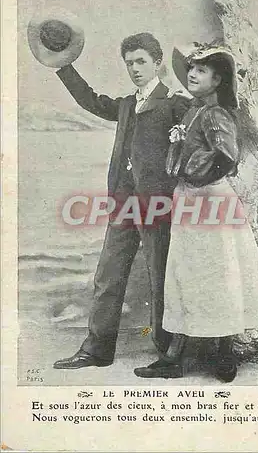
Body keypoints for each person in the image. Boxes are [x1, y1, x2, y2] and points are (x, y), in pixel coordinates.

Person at [134, 42, 258, 382]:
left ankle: (222, 353)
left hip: (208, 199)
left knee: (215, 271)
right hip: (190, 198)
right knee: (188, 271)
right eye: (191, 69)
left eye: (202, 70)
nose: (193, 74)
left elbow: (227, 157)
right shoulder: (194, 110)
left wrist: (196, 176)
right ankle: (180, 354)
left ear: (218, 79)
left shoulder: (214, 113)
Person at [51, 32, 190, 369]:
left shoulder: (176, 103)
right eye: (129, 63)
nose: (134, 69)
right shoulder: (127, 104)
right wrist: (63, 67)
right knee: (108, 274)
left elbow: (195, 143)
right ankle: (97, 350)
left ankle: (168, 354)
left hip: (158, 205)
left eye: (141, 61)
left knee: (160, 278)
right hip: (123, 202)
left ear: (156, 63)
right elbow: (91, 101)